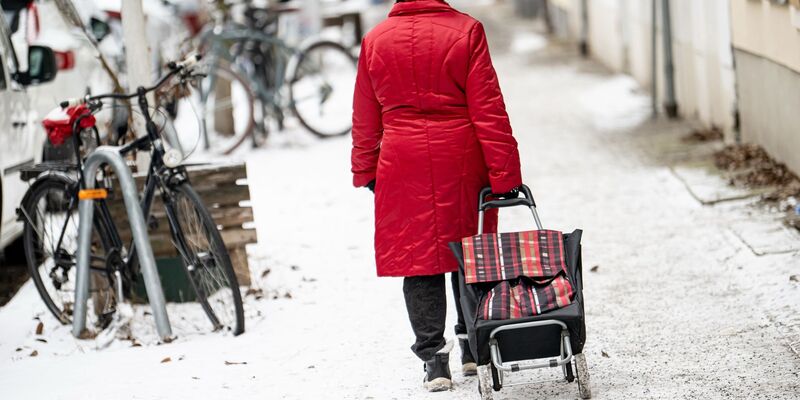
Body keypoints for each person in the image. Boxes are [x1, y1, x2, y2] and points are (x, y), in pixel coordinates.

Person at [351, 0, 522, 392]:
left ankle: (433, 361)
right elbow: (488, 109)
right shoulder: (466, 31)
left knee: (418, 260)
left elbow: (365, 114)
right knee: (469, 255)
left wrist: (365, 169)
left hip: (401, 160)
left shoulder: (376, 40)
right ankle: (472, 347)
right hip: (460, 158)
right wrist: (505, 174)